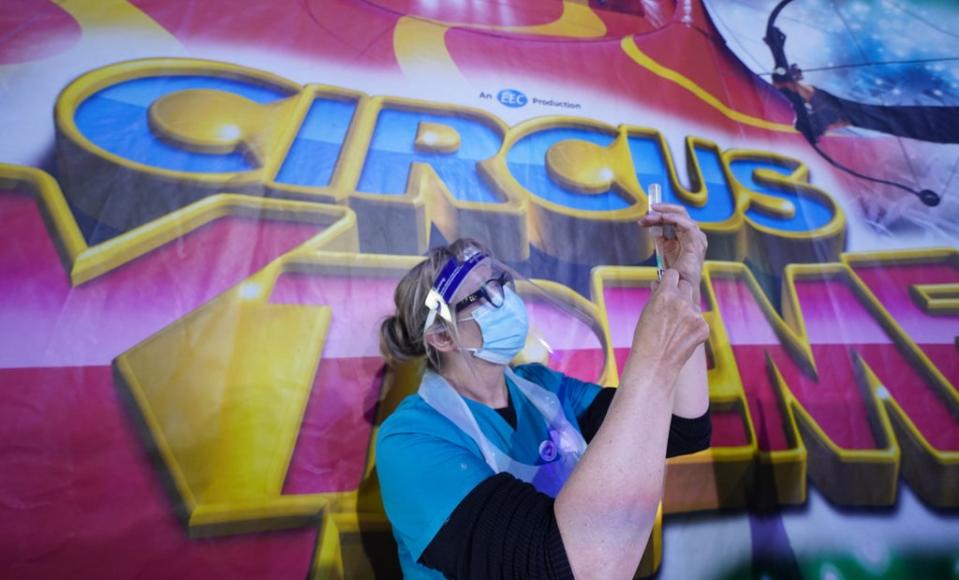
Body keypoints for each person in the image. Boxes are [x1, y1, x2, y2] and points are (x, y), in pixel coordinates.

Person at [376, 203, 712, 579]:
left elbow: (681, 429)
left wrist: (684, 286)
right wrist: (651, 358)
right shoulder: (410, 439)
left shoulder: (542, 387)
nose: (504, 298)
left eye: (501, 283)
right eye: (482, 296)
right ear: (441, 336)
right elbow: (548, 566)